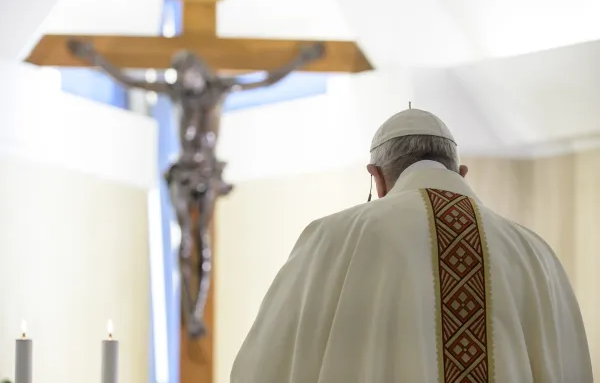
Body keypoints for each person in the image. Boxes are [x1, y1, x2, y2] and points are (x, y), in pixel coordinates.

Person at [230, 108, 593, 382]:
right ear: (460, 172)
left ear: (376, 177)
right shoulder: (534, 252)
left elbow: (263, 366)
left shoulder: (331, 239)